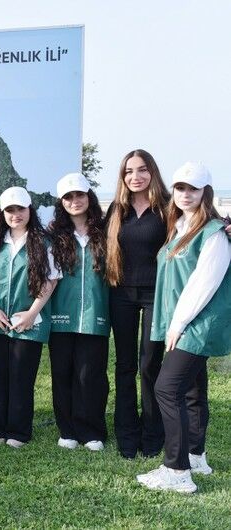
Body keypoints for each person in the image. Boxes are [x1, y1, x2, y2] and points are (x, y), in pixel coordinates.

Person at [137, 162, 231, 494]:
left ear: (206, 192)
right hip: (184, 321)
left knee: (167, 388)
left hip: (196, 323)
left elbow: (204, 283)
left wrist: (177, 324)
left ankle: (177, 471)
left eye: (193, 188)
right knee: (192, 390)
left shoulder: (213, 232)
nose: (185, 194)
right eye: (180, 188)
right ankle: (195, 455)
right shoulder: (178, 227)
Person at [0, 186, 60, 448]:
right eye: (10, 210)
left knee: (21, 377)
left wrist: (32, 313)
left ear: (29, 210)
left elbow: (50, 281)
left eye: (20, 209)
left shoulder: (44, 243)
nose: (16, 215)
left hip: (29, 322)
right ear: (2, 213)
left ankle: (18, 432)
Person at [105, 149, 169, 459]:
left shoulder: (168, 207)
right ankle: (127, 435)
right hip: (121, 294)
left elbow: (196, 226)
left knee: (149, 365)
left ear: (152, 172)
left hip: (156, 294)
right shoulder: (117, 209)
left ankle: (152, 434)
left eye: (142, 169)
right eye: (129, 171)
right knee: (125, 365)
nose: (135, 176)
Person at [48, 173, 110, 451]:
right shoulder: (52, 236)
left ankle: (92, 431)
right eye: (68, 197)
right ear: (61, 202)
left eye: (80, 195)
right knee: (62, 372)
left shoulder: (106, 231)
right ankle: (68, 429)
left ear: (89, 197)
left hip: (96, 314)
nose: (75, 201)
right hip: (60, 316)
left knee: (91, 374)